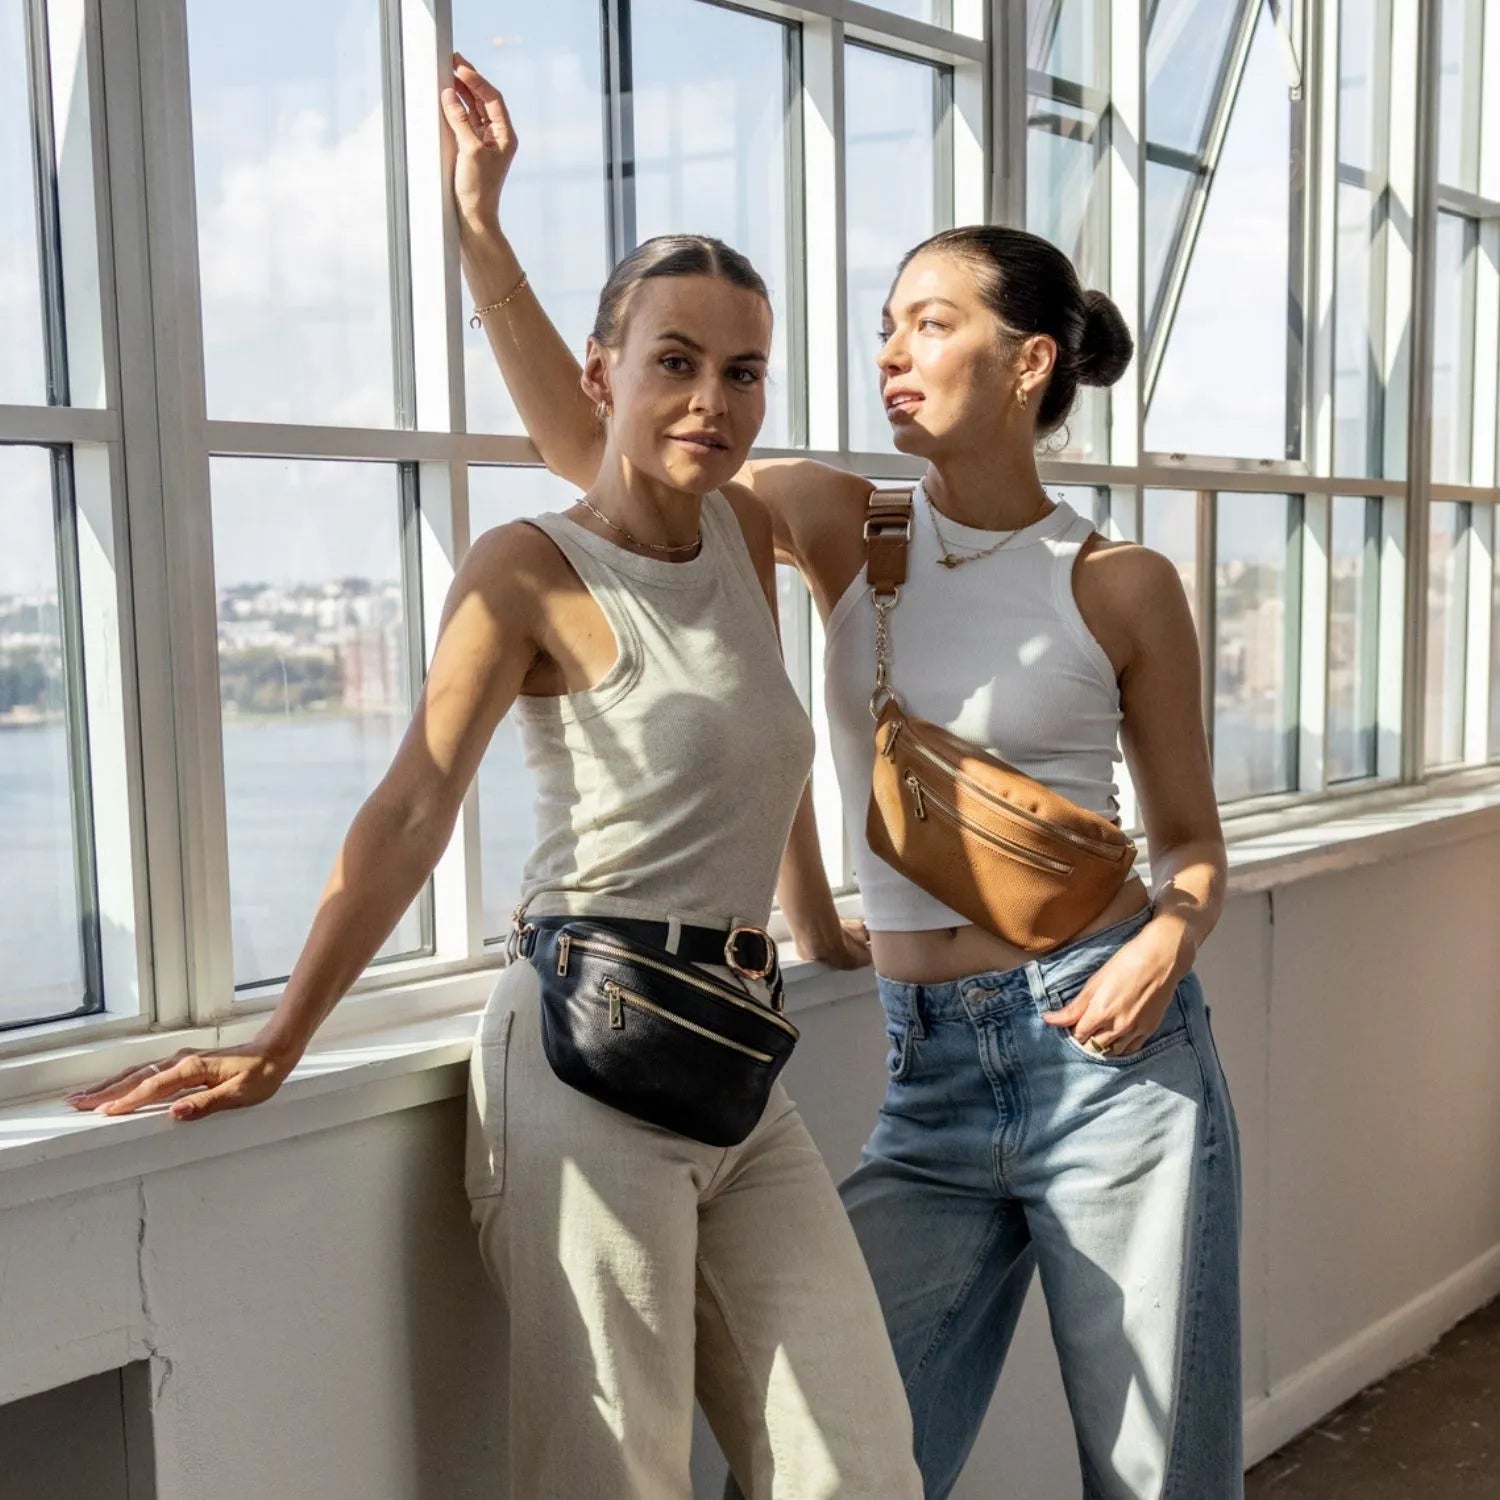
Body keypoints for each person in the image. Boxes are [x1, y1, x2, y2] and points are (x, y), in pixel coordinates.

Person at [62, 60, 926, 1500]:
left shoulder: (750, 533)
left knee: (856, 1461)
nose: (711, 397)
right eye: (673, 360)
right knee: (612, 1474)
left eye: (742, 368)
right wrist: (280, 1040)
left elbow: (772, 751)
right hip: (583, 1054)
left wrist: (821, 928)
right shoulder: (527, 567)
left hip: (736, 1053)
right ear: (607, 374)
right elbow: (408, 810)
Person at [475, 63, 1244, 1500]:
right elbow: (608, 453)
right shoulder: (846, 525)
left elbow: (1193, 841)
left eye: (931, 326)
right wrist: (486, 238)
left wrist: (1170, 934)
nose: (892, 354)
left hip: (1111, 1062)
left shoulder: (1122, 581)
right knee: (850, 1461)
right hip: (927, 1069)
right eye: (884, 329)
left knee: (1156, 1476)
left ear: (1026, 364)